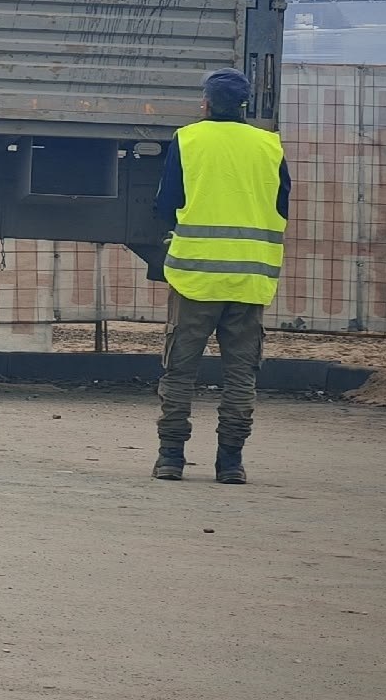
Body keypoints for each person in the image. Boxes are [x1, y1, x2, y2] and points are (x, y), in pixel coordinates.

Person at [151, 67, 290, 484]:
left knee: (180, 370)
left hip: (195, 278)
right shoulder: (269, 146)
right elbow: (282, 204)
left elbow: (166, 203)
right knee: (240, 375)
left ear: (206, 104)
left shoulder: (188, 140)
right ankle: (231, 462)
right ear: (245, 107)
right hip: (250, 280)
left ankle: (171, 458)